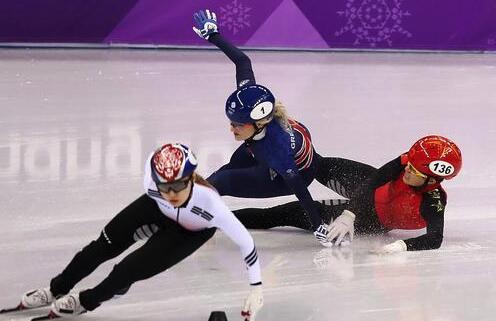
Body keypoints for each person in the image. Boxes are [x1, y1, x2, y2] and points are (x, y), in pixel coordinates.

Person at [15, 143, 263, 320]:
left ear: (191, 179)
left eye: (178, 185)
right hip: (156, 209)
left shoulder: (210, 205)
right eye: (164, 186)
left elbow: (246, 243)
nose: (172, 193)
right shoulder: (153, 184)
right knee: (101, 246)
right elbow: (162, 192)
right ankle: (56, 289)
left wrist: (256, 289)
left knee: (126, 271)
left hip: (189, 232)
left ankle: (85, 301)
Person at [192, 10, 332, 247]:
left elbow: (300, 190)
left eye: (237, 125)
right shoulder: (252, 100)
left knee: (221, 181)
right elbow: (243, 61)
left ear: (258, 123)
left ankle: (190, 216)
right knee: (229, 168)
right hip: (274, 150)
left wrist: (318, 226)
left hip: (289, 174)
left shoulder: (276, 151)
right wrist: (213, 34)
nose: (231, 129)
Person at [233, 135, 463, 253]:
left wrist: (401, 247)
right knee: (316, 164)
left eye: (413, 170)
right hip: (367, 187)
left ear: (432, 179)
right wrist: (349, 213)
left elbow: (435, 239)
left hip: (370, 219)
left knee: (284, 213)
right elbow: (375, 179)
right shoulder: (408, 162)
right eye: (409, 164)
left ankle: (214, 217)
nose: (406, 170)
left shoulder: (433, 202)